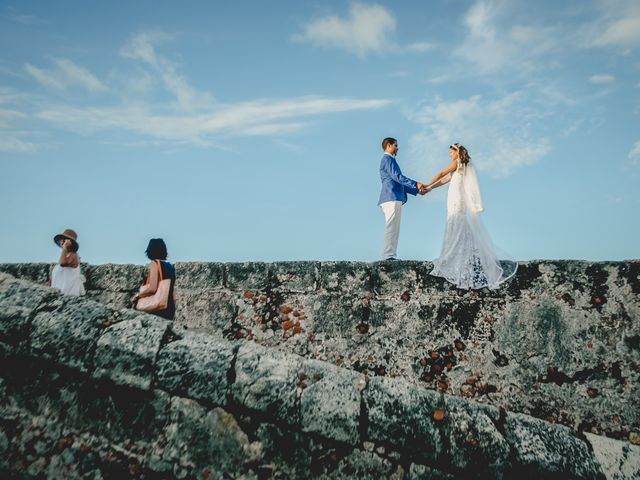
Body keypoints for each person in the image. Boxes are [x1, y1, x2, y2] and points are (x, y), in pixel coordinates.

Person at [426, 143, 517, 289]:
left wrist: (425, 185)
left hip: (457, 198)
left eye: (451, 152)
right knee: (456, 222)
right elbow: (444, 181)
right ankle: (457, 251)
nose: (450, 155)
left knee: (455, 221)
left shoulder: (457, 163)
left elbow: (440, 174)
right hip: (455, 197)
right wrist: (430, 188)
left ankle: (451, 253)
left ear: (457, 152)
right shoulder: (461, 166)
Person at [378, 137, 428, 260]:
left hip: (393, 196)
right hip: (391, 196)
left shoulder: (389, 160)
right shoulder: (388, 159)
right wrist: (416, 184)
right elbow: (397, 177)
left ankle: (390, 255)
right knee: (392, 226)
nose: (397, 148)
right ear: (389, 145)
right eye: (395, 145)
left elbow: (399, 182)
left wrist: (416, 191)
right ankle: (388, 256)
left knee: (394, 227)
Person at [131, 238, 176, 319]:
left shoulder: (154, 264)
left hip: (158, 308)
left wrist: (138, 295)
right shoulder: (170, 266)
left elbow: (153, 288)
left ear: (150, 250)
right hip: (169, 306)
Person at [51, 228, 85, 295]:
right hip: (58, 296)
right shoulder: (64, 256)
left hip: (69, 296)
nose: (61, 241)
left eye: (64, 239)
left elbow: (62, 263)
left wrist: (65, 248)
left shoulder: (74, 255)